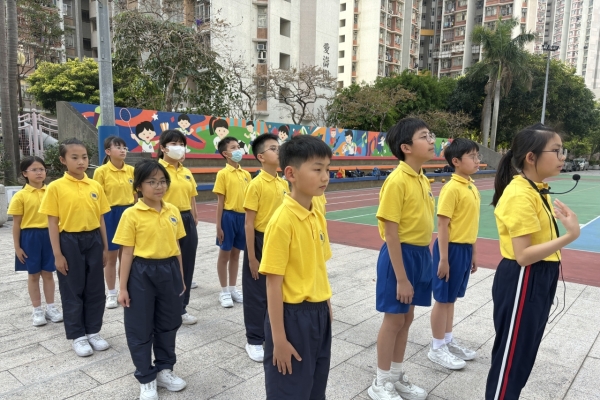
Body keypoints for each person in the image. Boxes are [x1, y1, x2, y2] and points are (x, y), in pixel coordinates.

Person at [485, 124, 580, 400]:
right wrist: (570, 235)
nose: (563, 156)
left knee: (524, 353)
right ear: (531, 157)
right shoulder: (520, 194)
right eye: (556, 150)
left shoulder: (536, 189)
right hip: (524, 277)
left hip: (540, 275)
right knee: (511, 359)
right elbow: (524, 255)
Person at [260, 135, 334, 400]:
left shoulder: (316, 214)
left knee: (315, 385)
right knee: (290, 390)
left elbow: (318, 267)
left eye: (328, 169)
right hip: (292, 317)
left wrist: (326, 306)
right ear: (291, 173)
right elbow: (273, 283)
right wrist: (278, 340)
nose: (325, 177)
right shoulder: (282, 221)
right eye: (317, 169)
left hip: (318, 314)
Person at [369, 118, 434, 400]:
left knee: (406, 319)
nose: (431, 140)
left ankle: (395, 376)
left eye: (431, 135)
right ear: (406, 147)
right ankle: (381, 381)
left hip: (420, 254)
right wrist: (402, 278)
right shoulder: (397, 181)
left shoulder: (422, 178)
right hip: (400, 257)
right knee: (394, 320)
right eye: (424, 136)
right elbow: (391, 233)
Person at [115, 160, 188, 400]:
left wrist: (181, 277)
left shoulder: (173, 211)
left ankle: (165, 369)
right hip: (142, 272)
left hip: (169, 270)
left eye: (162, 181)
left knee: (169, 322)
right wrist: (122, 288)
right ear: (138, 186)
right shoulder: (130, 214)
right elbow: (126, 253)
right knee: (140, 325)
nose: (159, 186)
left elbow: (177, 247)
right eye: (152, 182)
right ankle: (146, 377)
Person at [39, 138, 111, 357]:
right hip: (69, 241)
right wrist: (57, 254)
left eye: (84, 157)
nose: (81, 162)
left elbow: (101, 219)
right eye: (75, 157)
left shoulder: (95, 186)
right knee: (72, 288)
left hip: (94, 239)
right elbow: (52, 222)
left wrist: (105, 248)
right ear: (63, 160)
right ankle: (77, 335)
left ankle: (93, 331)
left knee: (95, 288)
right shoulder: (55, 187)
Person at [428, 138, 481, 371]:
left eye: (478, 156)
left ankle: (447, 340)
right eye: (472, 156)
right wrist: (443, 258)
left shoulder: (471, 186)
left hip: (464, 249)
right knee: (442, 299)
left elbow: (471, 224)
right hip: (450, 249)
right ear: (456, 161)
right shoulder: (451, 188)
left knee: (451, 299)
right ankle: (437, 347)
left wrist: (473, 252)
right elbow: (442, 225)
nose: (477, 160)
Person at [242, 133, 285, 362]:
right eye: (273, 148)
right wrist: (251, 257)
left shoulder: (283, 183)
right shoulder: (255, 184)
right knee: (256, 292)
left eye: (279, 148)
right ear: (261, 157)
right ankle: (254, 340)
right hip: (260, 240)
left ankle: (270, 333)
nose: (278, 151)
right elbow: (249, 223)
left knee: (276, 290)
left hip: (279, 241)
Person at [8, 156, 63, 327]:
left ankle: (51, 307)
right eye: (34, 170)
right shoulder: (20, 196)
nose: (39, 173)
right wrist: (17, 247)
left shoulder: (52, 191)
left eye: (42, 169)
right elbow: (16, 224)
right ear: (25, 173)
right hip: (30, 237)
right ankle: (37, 309)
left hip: (50, 235)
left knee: (48, 273)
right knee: (33, 275)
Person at [157, 130, 199, 325]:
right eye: (174, 144)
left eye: (182, 144)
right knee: (167, 264)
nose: (179, 148)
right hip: (164, 219)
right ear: (163, 147)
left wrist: (194, 216)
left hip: (186, 218)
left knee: (187, 265)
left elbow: (192, 196)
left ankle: (181, 307)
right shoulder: (156, 170)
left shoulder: (186, 172)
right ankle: (165, 307)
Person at [93, 136, 136, 309]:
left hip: (128, 213)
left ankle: (124, 289)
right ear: (108, 151)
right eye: (118, 147)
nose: (122, 150)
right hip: (109, 214)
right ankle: (111, 293)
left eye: (124, 147)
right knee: (111, 256)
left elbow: (135, 195)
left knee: (127, 255)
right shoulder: (101, 171)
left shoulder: (132, 170)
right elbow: (97, 198)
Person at [213, 137, 251, 308]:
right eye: (233, 148)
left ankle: (233, 288)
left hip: (243, 218)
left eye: (238, 146)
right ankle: (224, 291)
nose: (238, 150)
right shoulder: (223, 174)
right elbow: (220, 202)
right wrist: (218, 226)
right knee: (225, 255)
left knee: (236, 255)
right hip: (228, 217)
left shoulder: (246, 174)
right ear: (225, 153)